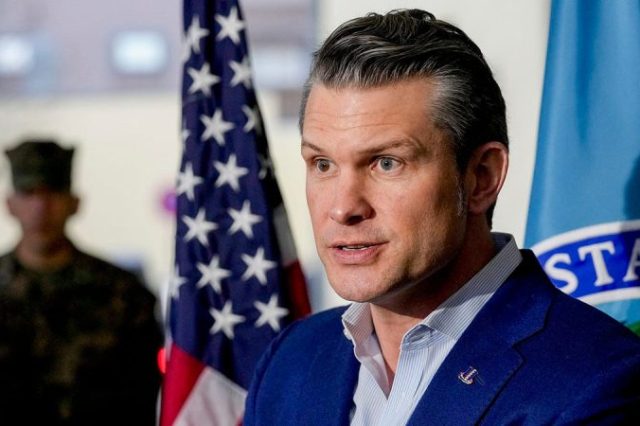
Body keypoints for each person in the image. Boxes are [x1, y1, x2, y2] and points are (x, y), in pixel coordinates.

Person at [244, 9, 640, 425]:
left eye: (386, 163)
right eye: (323, 164)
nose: (343, 208)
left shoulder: (598, 380)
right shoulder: (290, 363)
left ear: (481, 177)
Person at [0, 139, 162, 425]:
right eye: (29, 193)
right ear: (10, 205)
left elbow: (143, 395)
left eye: (53, 193)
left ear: (75, 204)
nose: (41, 207)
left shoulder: (123, 293)